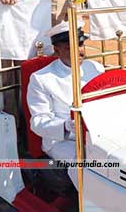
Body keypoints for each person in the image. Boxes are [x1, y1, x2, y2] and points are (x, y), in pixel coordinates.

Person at [27, 20, 104, 191]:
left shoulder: (96, 68)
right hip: (62, 140)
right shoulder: (41, 78)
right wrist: (66, 126)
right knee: (87, 163)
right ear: (56, 50)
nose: (79, 51)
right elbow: (38, 122)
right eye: (70, 48)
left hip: (97, 133)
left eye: (81, 44)